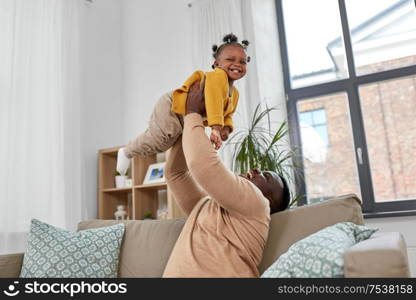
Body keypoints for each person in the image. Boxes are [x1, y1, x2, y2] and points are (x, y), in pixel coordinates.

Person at [162, 81, 290, 278]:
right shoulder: (206, 206)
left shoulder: (258, 204)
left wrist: (193, 112)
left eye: (266, 176)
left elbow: (202, 166)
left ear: (271, 201)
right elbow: (175, 174)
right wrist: (188, 122)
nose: (255, 169)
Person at [116, 33, 250, 175]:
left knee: (166, 145)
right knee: (159, 141)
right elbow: (213, 99)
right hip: (171, 106)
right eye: (230, 59)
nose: (237, 64)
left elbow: (228, 114)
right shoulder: (217, 76)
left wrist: (225, 129)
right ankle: (126, 152)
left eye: (243, 62)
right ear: (216, 64)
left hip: (185, 117)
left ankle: (136, 152)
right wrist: (215, 128)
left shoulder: (235, 94)